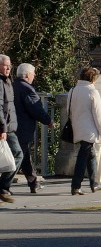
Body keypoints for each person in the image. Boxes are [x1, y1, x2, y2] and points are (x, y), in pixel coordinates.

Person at [67, 67, 101, 195]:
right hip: (89, 129)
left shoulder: (73, 90)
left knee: (91, 156)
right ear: (93, 79)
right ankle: (76, 185)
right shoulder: (92, 92)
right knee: (83, 157)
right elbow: (98, 115)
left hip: (76, 127)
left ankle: (94, 183)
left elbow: (68, 110)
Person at [13, 63, 51, 194]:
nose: (34, 76)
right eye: (33, 73)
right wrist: (48, 120)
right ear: (28, 75)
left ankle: (33, 182)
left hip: (12, 127)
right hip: (23, 127)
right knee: (19, 156)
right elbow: (35, 108)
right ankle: (4, 185)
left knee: (23, 154)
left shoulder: (11, 86)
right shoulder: (27, 89)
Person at [0, 54, 23, 203]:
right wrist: (3, 128)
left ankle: (3, 188)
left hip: (8, 126)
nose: (8, 68)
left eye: (9, 65)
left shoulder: (7, 81)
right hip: (5, 127)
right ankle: (3, 187)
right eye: (5, 65)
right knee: (18, 154)